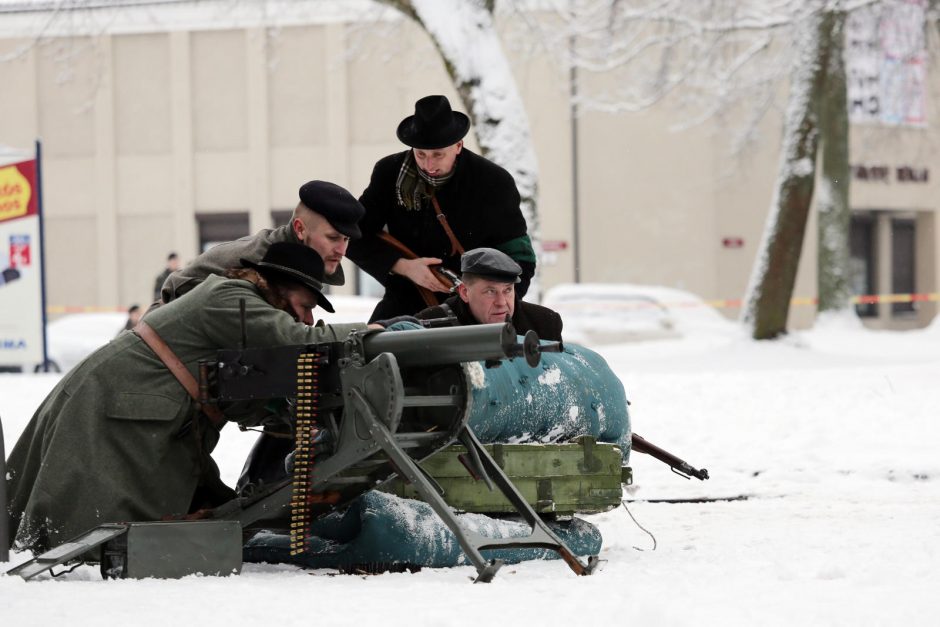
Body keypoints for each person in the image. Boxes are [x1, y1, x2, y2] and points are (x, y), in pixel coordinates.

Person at [5, 243, 376, 554]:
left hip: (135, 395)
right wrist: (375, 331)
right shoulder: (230, 297)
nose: (308, 317)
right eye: (305, 304)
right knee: (93, 515)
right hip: (117, 395)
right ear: (280, 286)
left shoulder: (241, 300)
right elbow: (300, 340)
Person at [347, 95, 536, 322]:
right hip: (406, 298)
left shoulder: (493, 181)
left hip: (473, 308)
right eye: (420, 154)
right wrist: (404, 267)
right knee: (373, 350)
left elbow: (520, 258)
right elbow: (352, 235)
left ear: (458, 146)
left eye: (438, 154)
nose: (428, 165)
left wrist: (495, 307)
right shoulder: (389, 173)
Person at [159, 180, 365, 304]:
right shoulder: (264, 262)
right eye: (333, 237)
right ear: (300, 229)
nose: (341, 250)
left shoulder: (292, 259)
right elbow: (173, 286)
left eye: (346, 239)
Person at [415, 248, 562, 341]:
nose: (502, 302)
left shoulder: (545, 324)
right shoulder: (428, 327)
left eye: (507, 290)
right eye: (490, 291)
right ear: (465, 292)